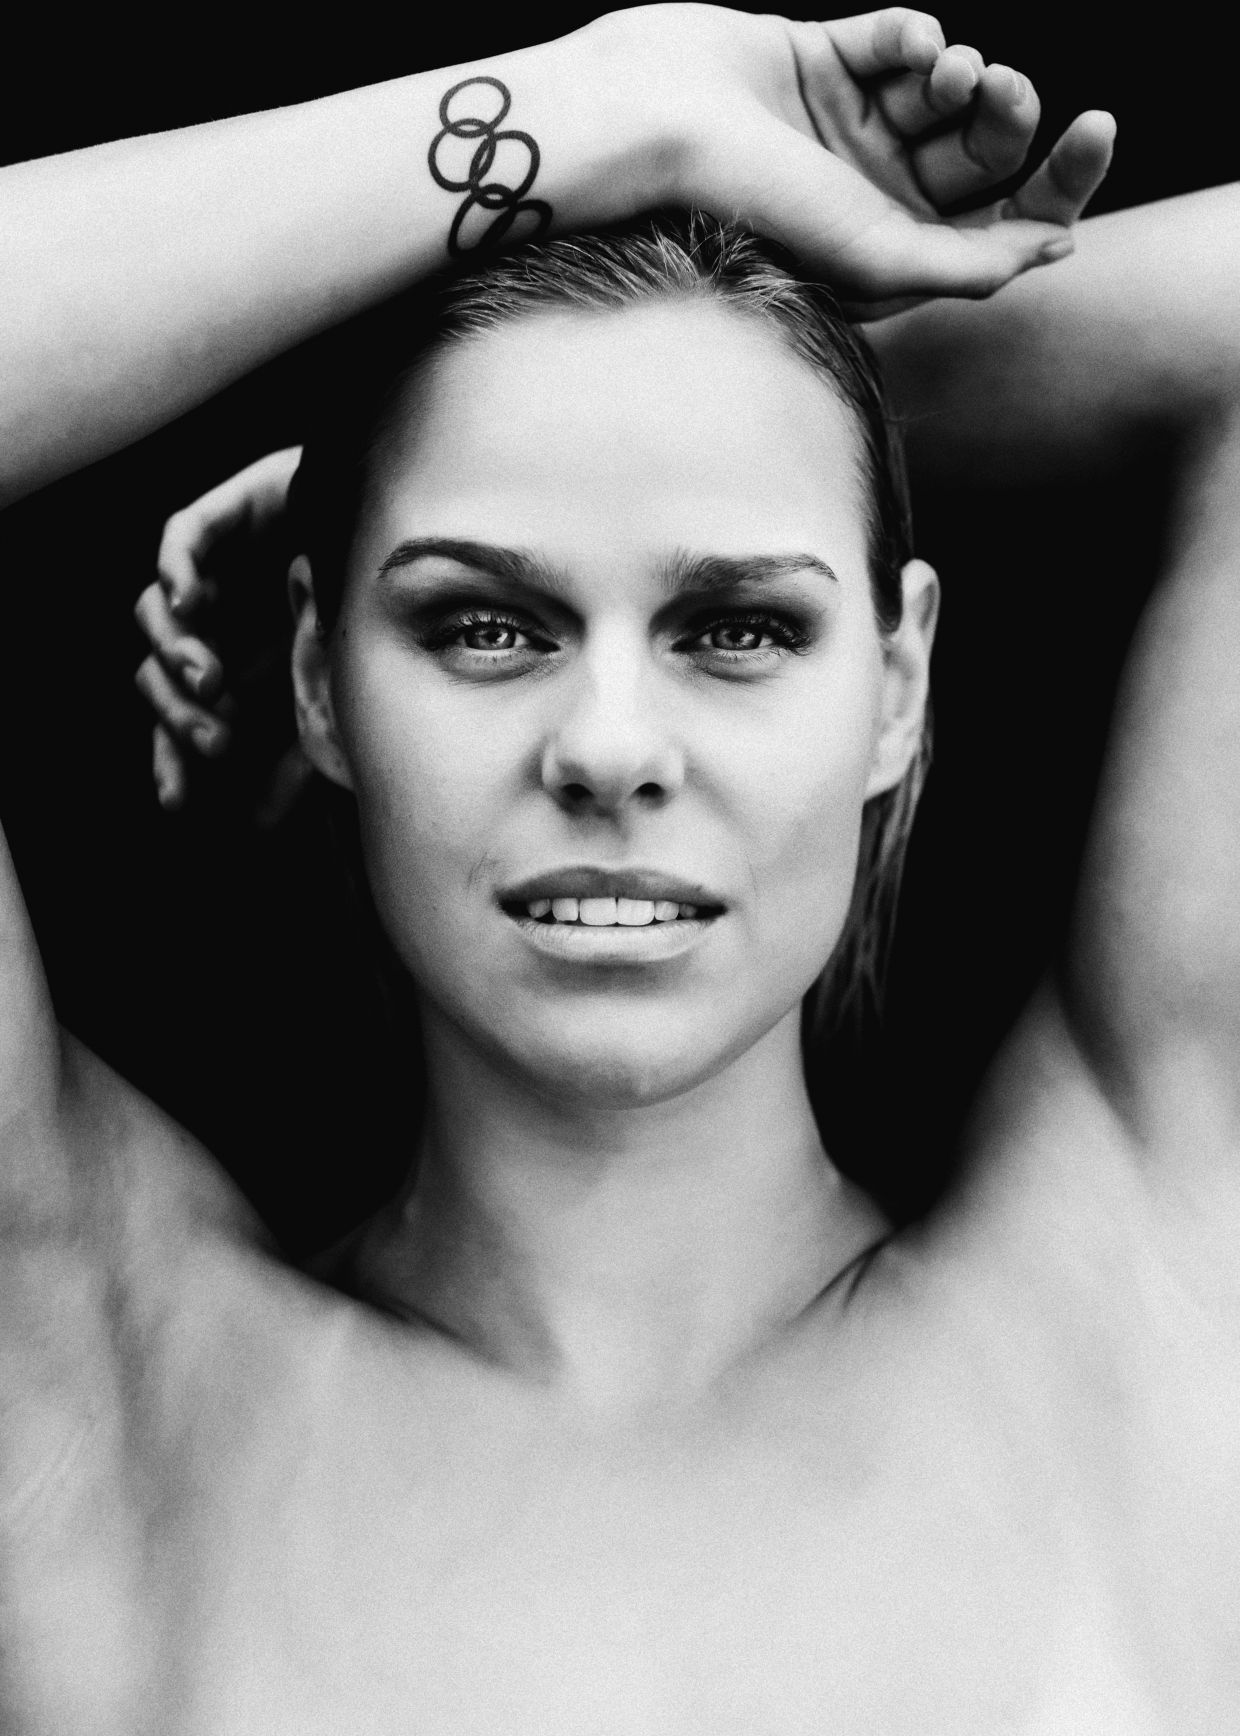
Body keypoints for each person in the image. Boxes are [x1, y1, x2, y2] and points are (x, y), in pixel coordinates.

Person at [7, 5, 1238, 1729]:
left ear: (896, 684)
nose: (607, 747)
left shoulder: (1156, 1296)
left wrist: (689, 404)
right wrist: (604, 111)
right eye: (483, 622)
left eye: (739, 625)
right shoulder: (109, 1381)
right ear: (318, 679)